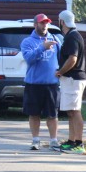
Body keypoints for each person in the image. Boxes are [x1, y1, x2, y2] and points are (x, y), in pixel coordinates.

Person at [21, 13, 60, 150]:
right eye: (42, 23)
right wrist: (42, 47)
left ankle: (53, 140)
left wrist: (61, 70)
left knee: (52, 114)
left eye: (46, 23)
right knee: (34, 113)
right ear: (35, 24)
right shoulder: (27, 42)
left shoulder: (55, 39)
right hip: (34, 83)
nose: (44, 25)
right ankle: (35, 140)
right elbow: (29, 59)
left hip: (51, 83)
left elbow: (61, 57)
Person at [56, 10, 86, 153]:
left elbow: (72, 59)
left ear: (62, 21)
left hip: (73, 79)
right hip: (70, 79)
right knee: (70, 111)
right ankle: (71, 140)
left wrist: (60, 71)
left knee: (75, 111)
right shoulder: (71, 36)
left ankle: (79, 144)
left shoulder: (72, 37)